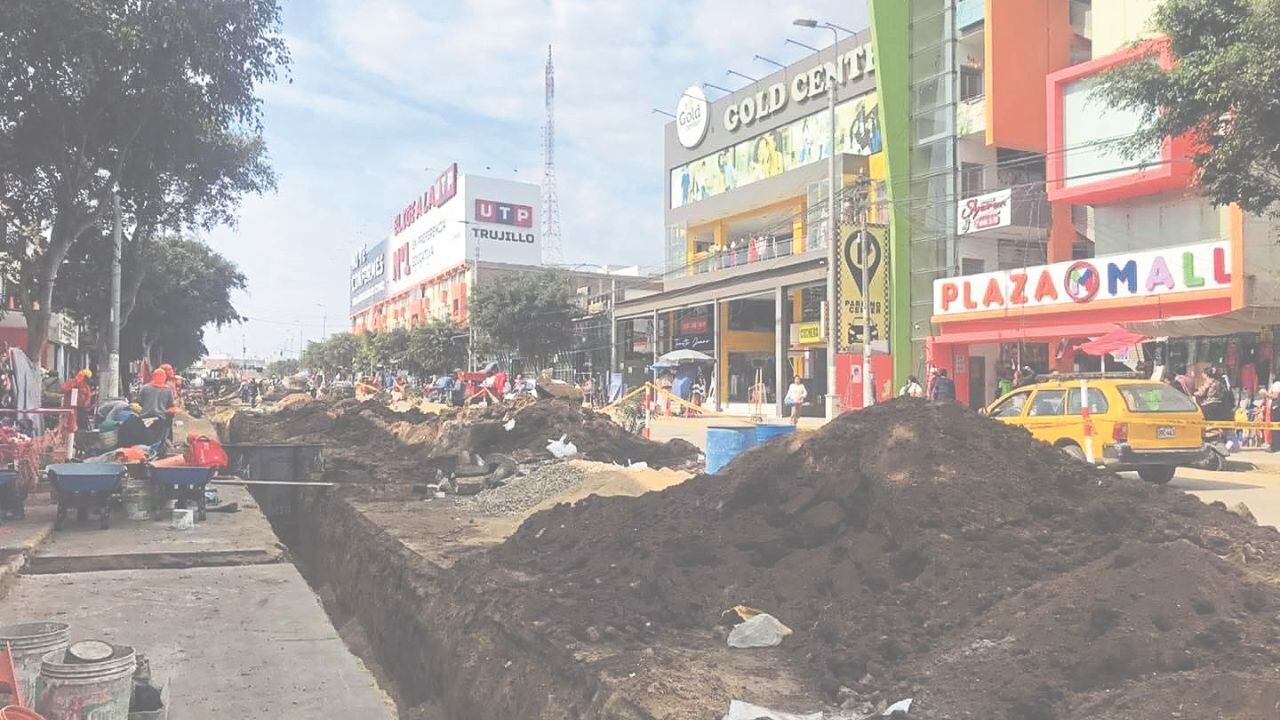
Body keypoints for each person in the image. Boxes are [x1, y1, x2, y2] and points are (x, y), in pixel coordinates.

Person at [138, 369, 177, 444]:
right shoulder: (168, 390)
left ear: (153, 376)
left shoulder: (145, 388)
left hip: (144, 419)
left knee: (145, 441)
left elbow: (139, 402)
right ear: (164, 377)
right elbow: (171, 405)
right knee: (159, 442)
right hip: (160, 419)